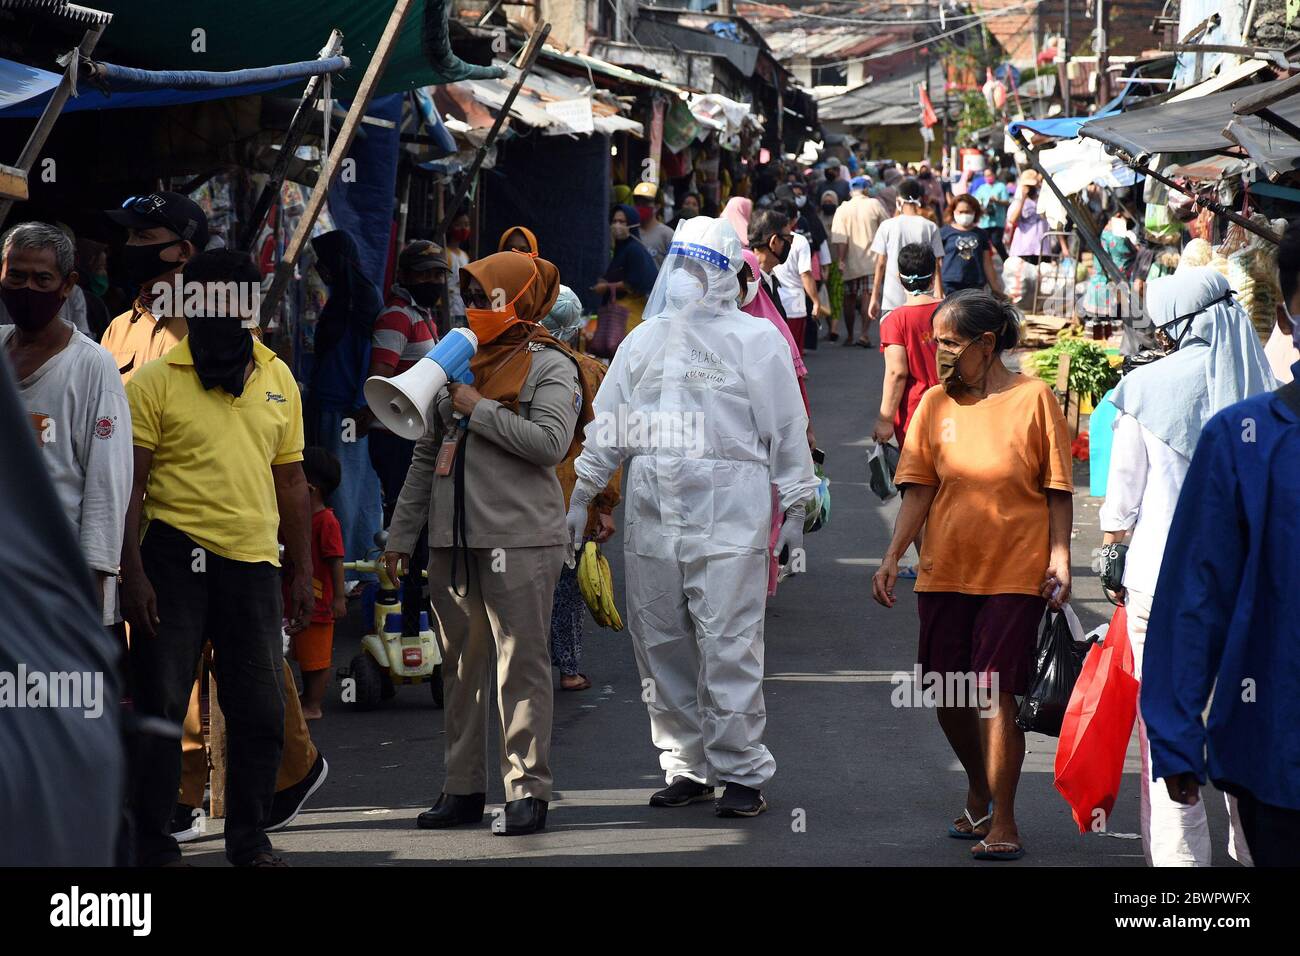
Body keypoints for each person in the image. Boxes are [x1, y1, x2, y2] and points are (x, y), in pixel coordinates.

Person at [567, 216, 819, 818]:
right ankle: (686, 765)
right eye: (680, 262)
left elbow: (787, 432)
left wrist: (795, 508)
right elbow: (611, 427)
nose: (688, 276)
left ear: (729, 273)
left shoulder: (758, 344)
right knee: (660, 645)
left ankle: (741, 772)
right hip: (653, 517)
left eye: (701, 264)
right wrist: (582, 493)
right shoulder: (643, 342)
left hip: (731, 518)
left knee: (729, 645)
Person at [120, 250, 314, 867]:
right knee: (162, 706)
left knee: (259, 709)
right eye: (206, 299)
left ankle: (249, 839)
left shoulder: (278, 377)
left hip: (253, 565)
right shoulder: (152, 382)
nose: (221, 312)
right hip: (172, 562)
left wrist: (303, 569)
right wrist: (134, 573)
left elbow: (292, 482)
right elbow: (131, 487)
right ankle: (151, 841)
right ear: (188, 304)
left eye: (234, 300)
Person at [384, 250, 586, 837]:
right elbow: (426, 454)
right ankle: (463, 788)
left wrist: (481, 408)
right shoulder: (456, 361)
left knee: (519, 666)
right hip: (452, 543)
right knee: (461, 670)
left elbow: (550, 443)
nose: (474, 309)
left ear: (520, 301)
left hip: (520, 540)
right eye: (469, 298)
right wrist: (402, 536)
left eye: (488, 298)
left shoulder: (552, 365)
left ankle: (528, 791)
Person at [872, 290, 1073, 862]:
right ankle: (979, 784)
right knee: (945, 690)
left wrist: (1060, 556)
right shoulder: (935, 403)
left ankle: (1004, 818)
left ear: (987, 345)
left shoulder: (1034, 398)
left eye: (950, 344)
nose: (936, 355)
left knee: (994, 693)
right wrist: (892, 556)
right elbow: (919, 489)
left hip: (1015, 571)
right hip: (943, 569)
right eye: (935, 343)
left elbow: (1058, 488)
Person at [1099, 267, 1277, 867]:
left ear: (1173, 322)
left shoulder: (1145, 390)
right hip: (1256, 591)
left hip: (1161, 587)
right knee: (1250, 725)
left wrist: (1111, 553)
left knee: (1169, 732)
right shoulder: (1267, 390)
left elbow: (1121, 505)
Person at [1140, 223, 1300, 867]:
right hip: (1279, 758)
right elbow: (1195, 593)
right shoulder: (1243, 441)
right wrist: (1176, 735)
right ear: (1291, 307)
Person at [0, 222, 131, 625]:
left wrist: (94, 578)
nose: (27, 289)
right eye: (16, 275)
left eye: (42, 278)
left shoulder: (91, 365)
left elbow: (108, 481)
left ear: (68, 284)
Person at [365, 239, 447, 630]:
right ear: (405, 277)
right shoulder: (397, 317)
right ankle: (407, 610)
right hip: (395, 434)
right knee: (407, 520)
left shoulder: (421, 314)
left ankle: (417, 605)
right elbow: (381, 376)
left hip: (413, 432)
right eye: (425, 273)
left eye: (438, 274)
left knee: (418, 521)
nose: (432, 281)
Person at [544, 287, 622, 692]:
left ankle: (520, 666)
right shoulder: (590, 371)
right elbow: (605, 442)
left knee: (526, 585)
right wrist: (605, 505)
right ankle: (569, 669)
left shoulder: (513, 366)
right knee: (571, 585)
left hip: (523, 497)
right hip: (576, 493)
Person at [308, 230, 386, 572]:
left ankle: (351, 566)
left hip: (347, 412)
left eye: (323, 264)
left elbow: (370, 357)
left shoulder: (360, 301)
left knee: (345, 489)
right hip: (334, 407)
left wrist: (361, 407)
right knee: (354, 487)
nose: (319, 270)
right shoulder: (346, 296)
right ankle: (357, 564)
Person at [99, 191, 207, 382]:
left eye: (143, 236)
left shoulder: (220, 323)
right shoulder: (118, 328)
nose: (130, 245)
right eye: (130, 236)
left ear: (183, 251)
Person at [868, 179, 945, 344]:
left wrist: (874, 297)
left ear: (899, 200)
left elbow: (880, 263)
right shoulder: (929, 226)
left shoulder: (887, 226)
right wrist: (939, 293)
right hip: (924, 296)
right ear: (920, 198)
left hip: (892, 296)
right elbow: (937, 263)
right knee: (921, 344)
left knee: (893, 345)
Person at [831, 175, 891, 348]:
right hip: (871, 260)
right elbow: (887, 226)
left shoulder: (843, 209)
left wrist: (841, 260)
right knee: (867, 297)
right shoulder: (874, 204)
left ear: (851, 190)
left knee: (849, 298)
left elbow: (840, 238)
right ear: (866, 189)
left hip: (849, 261)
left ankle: (850, 336)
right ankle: (864, 334)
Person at [597, 204, 659, 335]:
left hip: (629, 315)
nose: (617, 225)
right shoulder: (622, 248)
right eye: (614, 221)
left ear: (632, 223)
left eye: (622, 222)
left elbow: (634, 282)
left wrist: (607, 287)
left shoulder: (634, 249)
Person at [940, 194, 1003, 295]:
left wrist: (995, 288)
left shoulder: (981, 234)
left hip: (975, 284)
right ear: (953, 212)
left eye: (968, 211)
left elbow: (987, 262)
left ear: (975, 212)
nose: (964, 215)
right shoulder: (944, 233)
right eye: (961, 212)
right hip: (950, 284)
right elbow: (938, 262)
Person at [1006, 170, 1056, 263]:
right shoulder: (1017, 202)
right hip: (1023, 250)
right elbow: (1012, 220)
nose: (1029, 189)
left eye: (1031, 186)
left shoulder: (1043, 200)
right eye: (1027, 186)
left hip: (1042, 250)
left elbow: (1054, 222)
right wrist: (1023, 199)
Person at [632, 182, 676, 268]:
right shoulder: (630, 232)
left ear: (657, 206)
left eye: (645, 203)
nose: (640, 207)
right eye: (638, 203)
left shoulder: (667, 234)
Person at [973, 167, 1010, 261]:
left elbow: (1006, 202)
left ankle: (1006, 260)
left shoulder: (1001, 186)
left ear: (994, 175)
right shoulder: (982, 188)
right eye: (986, 176)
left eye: (989, 175)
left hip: (998, 220)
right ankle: (984, 262)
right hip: (985, 221)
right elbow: (976, 201)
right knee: (983, 244)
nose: (988, 177)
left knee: (996, 242)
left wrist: (997, 200)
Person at [444, 209, 473, 327]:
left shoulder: (464, 255)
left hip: (462, 307)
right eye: (458, 224)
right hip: (448, 307)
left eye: (466, 225)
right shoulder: (445, 253)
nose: (463, 228)